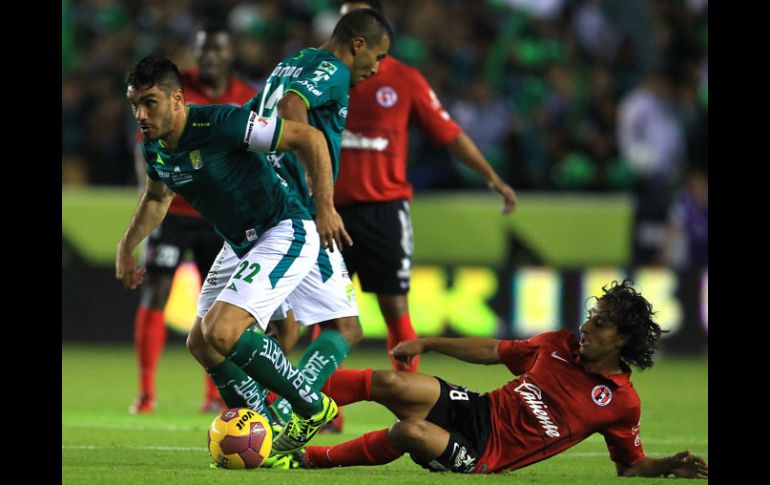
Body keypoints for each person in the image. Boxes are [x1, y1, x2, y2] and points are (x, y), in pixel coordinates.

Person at [117, 54, 349, 456]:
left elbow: (307, 139)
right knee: (201, 343)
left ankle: (311, 407)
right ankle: (268, 434)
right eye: (134, 103)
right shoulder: (154, 148)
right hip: (239, 244)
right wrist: (126, 246)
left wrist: (325, 207)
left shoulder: (222, 123)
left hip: (283, 230)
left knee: (222, 332)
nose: (140, 113)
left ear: (177, 100)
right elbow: (157, 198)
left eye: (149, 102)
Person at [294, 280, 708, 478]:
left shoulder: (621, 401)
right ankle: (282, 393)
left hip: (486, 454)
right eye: (589, 317)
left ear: (623, 339)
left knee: (410, 432)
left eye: (599, 325)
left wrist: (668, 466)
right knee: (390, 383)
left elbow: (630, 466)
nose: (586, 327)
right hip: (479, 408)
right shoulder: (556, 343)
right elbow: (493, 352)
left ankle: (308, 459)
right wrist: (428, 343)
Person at [330, 0, 518, 374]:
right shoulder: (320, 77)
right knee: (329, 312)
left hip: (383, 210)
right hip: (329, 211)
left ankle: (410, 397)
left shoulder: (404, 79)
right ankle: (324, 404)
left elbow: (448, 133)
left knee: (394, 306)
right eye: (344, 17)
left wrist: (491, 176)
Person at [237, 7, 392, 430]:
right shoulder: (333, 70)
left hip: (262, 200)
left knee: (285, 332)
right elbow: (291, 106)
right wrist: (320, 198)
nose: (377, 69)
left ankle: (257, 415)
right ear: (357, 45)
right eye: (377, 57)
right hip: (296, 210)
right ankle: (289, 414)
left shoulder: (293, 61)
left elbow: (255, 113)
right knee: (345, 327)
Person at [128, 24, 257, 415]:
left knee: (216, 305)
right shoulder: (172, 93)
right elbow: (147, 155)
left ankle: (213, 393)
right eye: (202, 51)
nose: (208, 58)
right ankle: (147, 392)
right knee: (155, 294)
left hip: (218, 216)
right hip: (174, 212)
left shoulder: (245, 98)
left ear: (229, 53)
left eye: (215, 49)